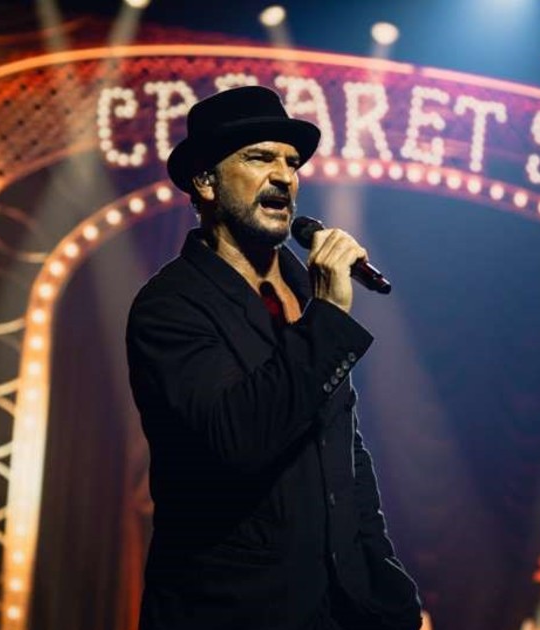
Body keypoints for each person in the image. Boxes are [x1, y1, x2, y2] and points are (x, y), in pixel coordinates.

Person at [125, 85, 422, 630]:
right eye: (260, 158)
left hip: (339, 612)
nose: (285, 176)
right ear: (206, 181)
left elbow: (343, 455)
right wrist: (327, 316)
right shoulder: (170, 306)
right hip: (231, 611)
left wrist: (388, 590)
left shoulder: (302, 289)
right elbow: (238, 439)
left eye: (292, 162)